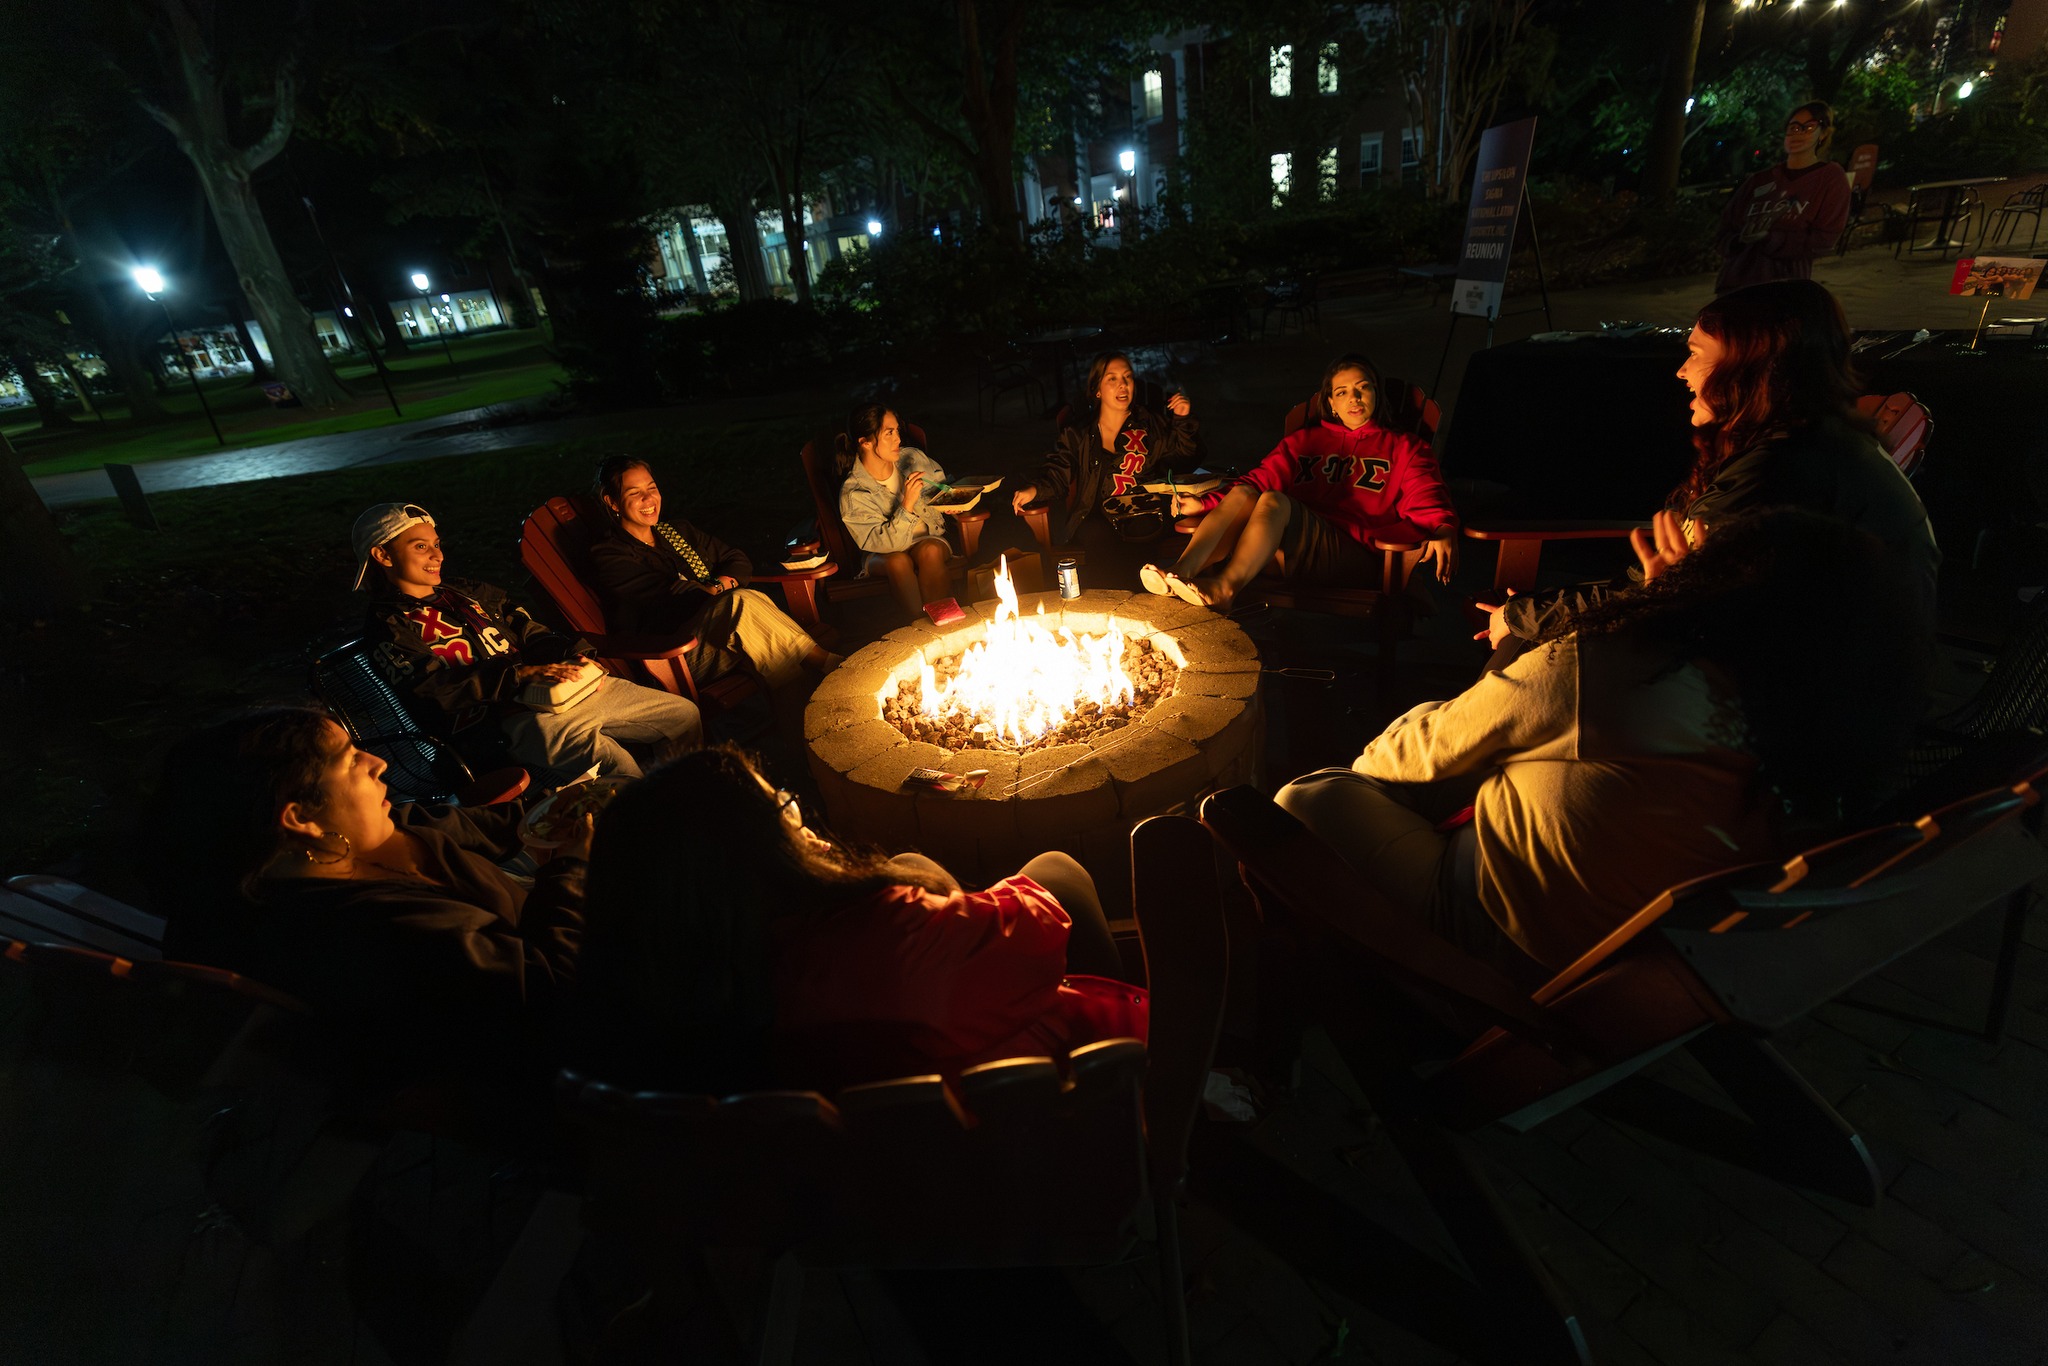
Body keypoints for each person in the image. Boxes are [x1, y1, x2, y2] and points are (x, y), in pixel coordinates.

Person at [1278, 509, 1925, 977]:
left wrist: (1656, 605)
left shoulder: (1619, 668)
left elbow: (1403, 755)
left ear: (1725, 586)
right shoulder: (1819, 723)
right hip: (1640, 951)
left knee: (1308, 796)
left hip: (1505, 935)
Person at [569, 745, 1147, 1094]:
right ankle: (1176, 1048)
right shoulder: (883, 935)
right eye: (783, 814)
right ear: (756, 857)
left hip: (891, 1168)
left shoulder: (680, 997)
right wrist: (939, 900)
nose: (802, 826)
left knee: (912, 865)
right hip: (1049, 1118)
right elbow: (1038, 933)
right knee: (1055, 870)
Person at [1483, 279, 1939, 653]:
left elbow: (1663, 595)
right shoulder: (1811, 441)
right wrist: (1532, 614)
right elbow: (1666, 578)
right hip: (1802, 670)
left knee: (1519, 681)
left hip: (1793, 714)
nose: (1682, 371)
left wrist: (1522, 616)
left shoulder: (1780, 472)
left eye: (1697, 353)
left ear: (1751, 366)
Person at [147, 707, 590, 1072]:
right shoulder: (359, 930)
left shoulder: (358, 839)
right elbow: (554, 992)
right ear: (300, 817)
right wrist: (572, 869)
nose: (379, 764)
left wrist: (564, 812)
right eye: (349, 759)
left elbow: (461, 825)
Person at [353, 502, 702, 785]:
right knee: (617, 765)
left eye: (436, 543)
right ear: (383, 556)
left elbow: (530, 630)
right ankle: (655, 833)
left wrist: (576, 657)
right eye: (420, 546)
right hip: (510, 721)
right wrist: (520, 675)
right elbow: (429, 692)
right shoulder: (389, 626)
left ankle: (686, 795)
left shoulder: (468, 593)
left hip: (564, 690)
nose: (437, 555)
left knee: (681, 715)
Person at [1143, 353, 1458, 610]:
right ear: (1331, 403)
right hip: (1287, 550)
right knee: (1246, 492)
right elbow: (1257, 480)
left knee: (1274, 501)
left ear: (1376, 392)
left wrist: (1442, 528)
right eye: (1342, 392)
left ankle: (1226, 587)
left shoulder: (1405, 447)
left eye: (1364, 387)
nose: (1355, 398)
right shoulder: (1304, 441)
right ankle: (1180, 573)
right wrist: (1203, 502)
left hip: (1355, 558)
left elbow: (1426, 494)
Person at [587, 455, 839, 689]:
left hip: (722, 634)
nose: (649, 499)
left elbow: (736, 559)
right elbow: (669, 599)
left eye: (651, 488)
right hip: (672, 658)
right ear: (612, 502)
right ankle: (830, 665)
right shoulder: (610, 555)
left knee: (762, 638)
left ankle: (812, 706)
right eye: (635, 493)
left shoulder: (677, 532)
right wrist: (714, 592)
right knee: (742, 603)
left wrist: (716, 586)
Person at [1009, 352, 1200, 563]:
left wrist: (1182, 420)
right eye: (1112, 378)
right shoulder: (1079, 433)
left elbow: (1186, 457)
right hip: (1095, 516)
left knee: (1141, 529)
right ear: (1097, 390)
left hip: (1143, 514)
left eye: (1127, 377)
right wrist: (1035, 489)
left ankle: (1141, 591)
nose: (1123, 384)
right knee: (1096, 534)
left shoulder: (1149, 425)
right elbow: (1059, 473)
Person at [1714, 101, 1851, 294]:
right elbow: (1725, 228)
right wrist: (1739, 241)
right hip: (1734, 285)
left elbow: (1824, 239)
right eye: (1793, 127)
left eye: (1808, 127)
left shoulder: (1829, 178)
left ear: (1823, 133)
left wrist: (1772, 239)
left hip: (1784, 288)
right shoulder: (1760, 180)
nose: (1797, 133)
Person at [837, 406, 952, 618]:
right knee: (898, 561)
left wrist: (951, 502)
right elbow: (884, 544)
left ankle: (944, 621)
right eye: (889, 433)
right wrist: (906, 505)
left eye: (897, 431)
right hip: (883, 553)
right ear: (866, 442)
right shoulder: (855, 492)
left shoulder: (913, 459)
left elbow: (945, 488)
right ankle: (919, 626)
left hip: (926, 539)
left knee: (931, 550)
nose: (898, 439)